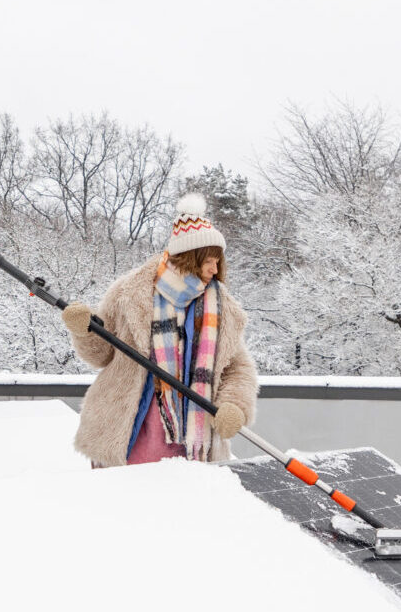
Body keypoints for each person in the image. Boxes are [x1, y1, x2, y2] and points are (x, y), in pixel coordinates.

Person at [62, 194, 259, 467]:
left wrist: (235, 406)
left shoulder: (222, 308)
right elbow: (101, 355)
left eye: (218, 262)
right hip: (130, 426)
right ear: (189, 257)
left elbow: (238, 368)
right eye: (208, 261)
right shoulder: (130, 293)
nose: (215, 270)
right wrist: (83, 330)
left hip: (192, 436)